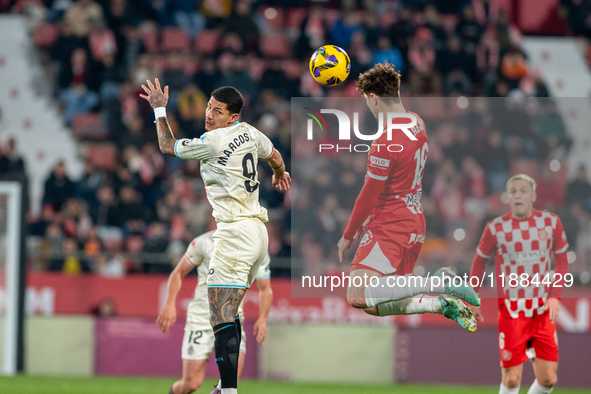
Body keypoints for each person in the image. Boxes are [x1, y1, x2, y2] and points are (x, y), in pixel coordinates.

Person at [140, 78, 290, 394]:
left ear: (231, 117)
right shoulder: (251, 133)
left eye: (218, 111)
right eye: (209, 106)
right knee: (229, 309)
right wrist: (279, 174)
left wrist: (159, 111)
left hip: (235, 233)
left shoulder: (213, 141)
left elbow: (167, 147)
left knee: (220, 315)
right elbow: (275, 156)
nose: (209, 114)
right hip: (258, 233)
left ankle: (229, 390)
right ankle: (225, 385)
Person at [337, 63, 479, 332]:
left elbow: (367, 196)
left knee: (357, 295)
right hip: (414, 222)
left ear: (374, 98)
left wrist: (348, 233)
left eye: (367, 101)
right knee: (374, 303)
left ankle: (440, 282)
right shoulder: (417, 122)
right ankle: (441, 305)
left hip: (391, 223)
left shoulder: (384, 142)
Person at [469, 174, 569, 394]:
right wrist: (472, 299)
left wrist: (555, 296)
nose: (518, 195)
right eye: (513, 191)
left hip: (542, 311)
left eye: (523, 190)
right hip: (512, 312)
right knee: (513, 379)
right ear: (508, 197)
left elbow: (562, 262)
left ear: (533, 195)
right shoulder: (495, 228)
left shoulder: (551, 222)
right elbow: (478, 263)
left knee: (548, 379)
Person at [157, 230, 272, 394]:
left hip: (231, 320)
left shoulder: (254, 246)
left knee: (230, 383)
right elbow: (178, 272)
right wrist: (169, 304)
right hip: (201, 319)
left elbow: (265, 288)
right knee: (191, 384)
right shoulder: (203, 242)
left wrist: (263, 318)